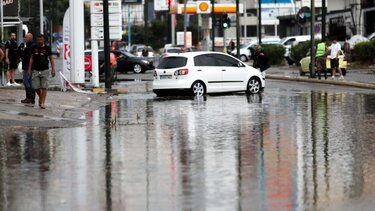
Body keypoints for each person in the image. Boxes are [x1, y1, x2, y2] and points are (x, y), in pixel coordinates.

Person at [28, 34, 55, 109]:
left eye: (41, 39)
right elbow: (31, 59)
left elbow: (51, 59)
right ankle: (40, 97)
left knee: (44, 87)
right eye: (38, 39)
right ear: (36, 40)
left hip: (45, 70)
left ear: (44, 40)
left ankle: (42, 102)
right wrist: (29, 69)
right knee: (35, 87)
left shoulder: (47, 48)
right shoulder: (34, 47)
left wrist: (53, 69)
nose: (39, 41)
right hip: (35, 70)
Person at [18, 33, 35, 104]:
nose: (24, 38)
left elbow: (30, 57)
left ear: (30, 38)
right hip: (26, 66)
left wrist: (29, 68)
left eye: (26, 37)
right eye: (24, 37)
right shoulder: (27, 45)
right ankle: (31, 98)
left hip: (28, 66)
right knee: (30, 82)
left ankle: (29, 97)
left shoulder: (32, 46)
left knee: (26, 81)